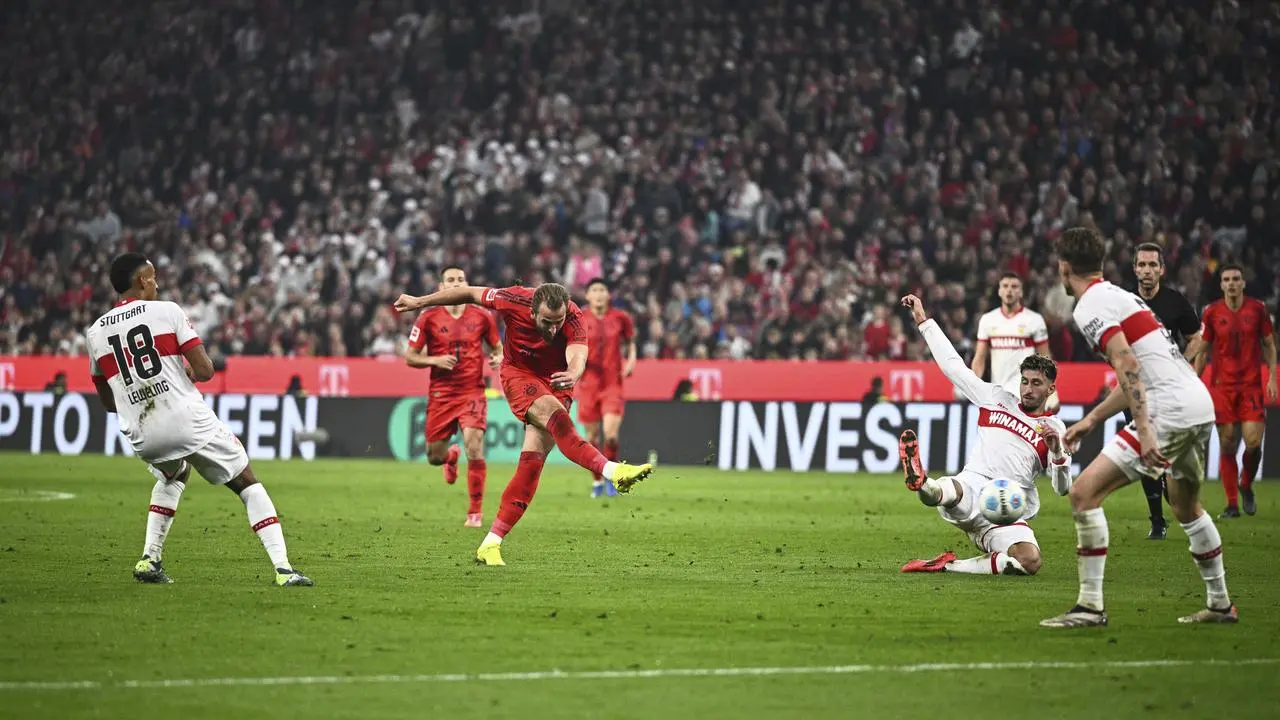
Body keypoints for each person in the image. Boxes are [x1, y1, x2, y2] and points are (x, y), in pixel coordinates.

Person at [86, 253, 313, 587]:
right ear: (141, 282)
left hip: (142, 433)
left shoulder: (95, 332)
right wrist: (186, 370)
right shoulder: (168, 311)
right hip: (186, 420)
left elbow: (109, 402)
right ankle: (283, 569)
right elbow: (206, 369)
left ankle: (150, 559)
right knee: (246, 482)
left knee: (174, 472)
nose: (157, 283)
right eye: (153, 277)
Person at [394, 283, 654, 566]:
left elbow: (578, 356)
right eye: (547, 322)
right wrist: (420, 301)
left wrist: (573, 374)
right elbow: (468, 292)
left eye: (558, 322)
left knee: (531, 466)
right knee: (559, 420)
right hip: (520, 374)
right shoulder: (511, 299)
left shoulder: (575, 316)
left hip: (559, 380)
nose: (554, 329)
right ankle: (613, 470)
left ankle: (491, 543)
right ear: (532, 312)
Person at [1050, 227, 1234, 628]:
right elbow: (1140, 367)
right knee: (1186, 507)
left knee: (1083, 494)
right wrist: (1092, 419)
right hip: (1197, 403)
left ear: (1064, 268)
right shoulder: (1120, 295)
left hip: (1167, 410)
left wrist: (1145, 427)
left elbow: (1128, 365)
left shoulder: (1088, 306)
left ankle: (1090, 607)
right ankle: (1220, 605)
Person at [896, 294, 1072, 577]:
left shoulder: (1054, 429)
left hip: (1008, 509)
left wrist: (1057, 452)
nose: (1027, 389)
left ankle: (947, 566)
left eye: (1036, 383)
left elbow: (1063, 488)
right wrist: (924, 321)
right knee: (948, 492)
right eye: (1024, 381)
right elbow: (954, 368)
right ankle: (922, 482)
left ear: (1050, 389)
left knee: (1029, 562)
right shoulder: (996, 399)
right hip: (974, 485)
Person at [1103, 242, 1203, 539]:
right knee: (1144, 449)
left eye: (1152, 265)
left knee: (1166, 452)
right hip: (1134, 386)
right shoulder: (1123, 302)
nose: (1146, 270)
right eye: (1142, 265)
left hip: (1167, 388)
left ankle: (1177, 497)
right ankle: (1157, 521)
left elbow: (1195, 337)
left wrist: (1180, 364)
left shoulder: (1175, 302)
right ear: (1134, 268)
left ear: (1162, 269)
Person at [404, 265, 502, 527]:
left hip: (472, 391)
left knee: (475, 445)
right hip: (441, 393)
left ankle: (475, 512)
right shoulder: (428, 317)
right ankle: (450, 456)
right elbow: (410, 357)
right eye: (450, 280)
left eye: (461, 279)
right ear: (441, 287)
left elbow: (497, 346)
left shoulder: (482, 316)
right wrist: (435, 359)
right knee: (434, 456)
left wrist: (498, 357)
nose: (456, 283)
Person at [1186, 263, 1278, 518]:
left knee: (1252, 442)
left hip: (1251, 386)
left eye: (1236, 278)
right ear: (1222, 284)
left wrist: (1271, 377)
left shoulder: (1258, 309)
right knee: (1227, 443)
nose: (1232, 283)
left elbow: (1269, 345)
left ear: (1243, 282)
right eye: (1227, 279)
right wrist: (1195, 379)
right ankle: (1232, 504)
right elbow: (1203, 350)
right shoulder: (1212, 312)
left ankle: (1246, 484)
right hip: (1221, 387)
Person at [576, 278, 637, 498]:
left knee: (610, 435)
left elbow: (631, 342)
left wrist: (631, 361)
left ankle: (612, 478)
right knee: (591, 438)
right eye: (594, 290)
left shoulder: (621, 318)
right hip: (588, 385)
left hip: (613, 384)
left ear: (608, 294)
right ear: (587, 295)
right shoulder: (579, 317)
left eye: (603, 289)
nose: (599, 294)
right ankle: (597, 481)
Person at [971, 273, 1054, 405]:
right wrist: (972, 384)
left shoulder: (1034, 320)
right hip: (998, 393)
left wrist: (1049, 390)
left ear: (1021, 292)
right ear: (999, 291)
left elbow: (1045, 357)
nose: (1009, 290)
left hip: (1026, 393)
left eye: (1014, 286)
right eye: (1005, 286)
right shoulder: (988, 320)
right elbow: (979, 358)